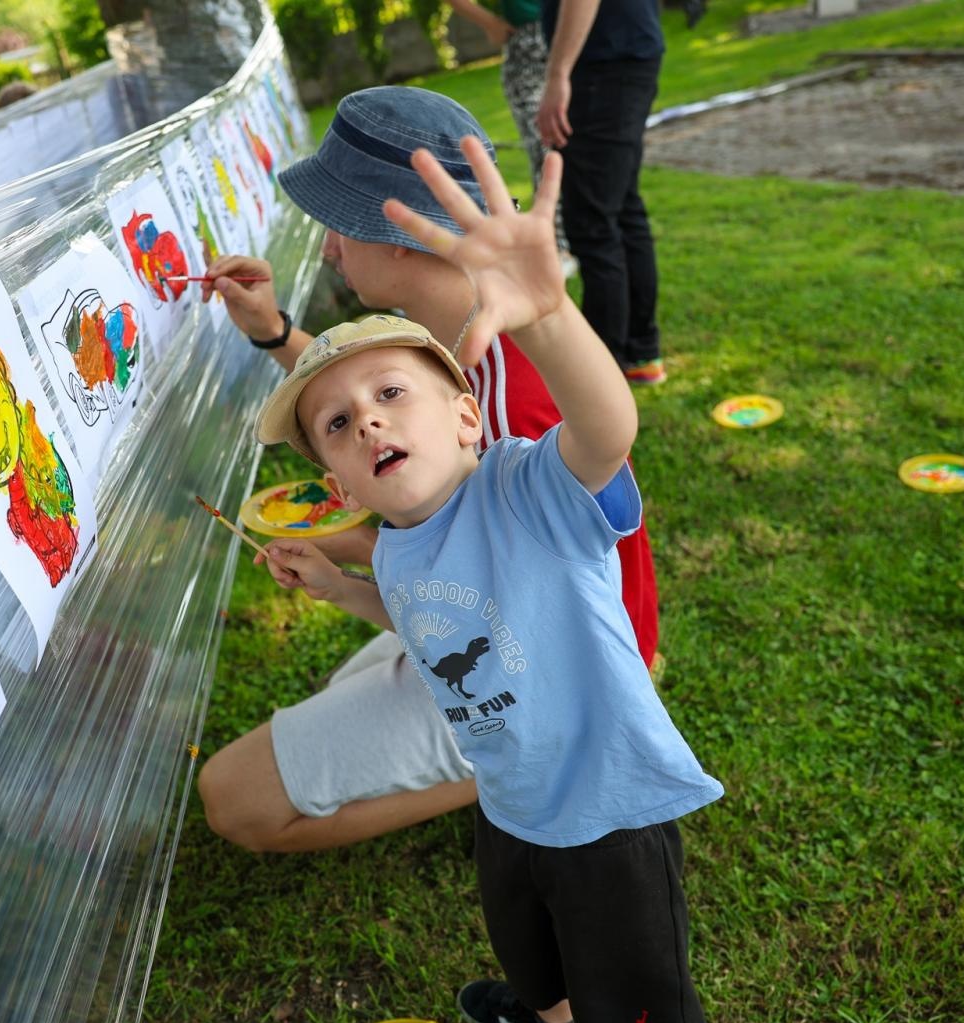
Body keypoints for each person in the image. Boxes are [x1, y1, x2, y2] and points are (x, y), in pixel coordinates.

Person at [250, 136, 719, 1023]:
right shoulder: (399, 543)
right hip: (509, 799)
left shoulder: (522, 490)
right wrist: (343, 584)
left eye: (389, 393)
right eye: (339, 425)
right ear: (337, 486)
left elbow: (606, 432)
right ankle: (550, 1016)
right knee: (529, 944)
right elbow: (426, 627)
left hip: (605, 811)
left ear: (467, 416)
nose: (370, 419)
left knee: (640, 1011)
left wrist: (547, 315)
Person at [196, 86, 660, 855]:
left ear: (403, 235)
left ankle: (517, 766)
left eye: (339, 226)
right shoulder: (445, 337)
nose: (330, 248)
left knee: (234, 801)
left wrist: (350, 557)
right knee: (341, 693)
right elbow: (373, 386)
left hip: (556, 679)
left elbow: (496, 588)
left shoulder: (523, 403)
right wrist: (275, 331)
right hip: (518, 626)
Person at [537, 0, 667, 384]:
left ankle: (603, 372)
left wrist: (558, 74)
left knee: (593, 222)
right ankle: (639, 353)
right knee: (621, 208)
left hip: (603, 63)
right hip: (623, 54)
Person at [443, 0, 574, 271]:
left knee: (572, 150)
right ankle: (557, 246)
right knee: (547, 149)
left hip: (578, 37)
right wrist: (490, 23)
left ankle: (570, 242)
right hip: (529, 43)